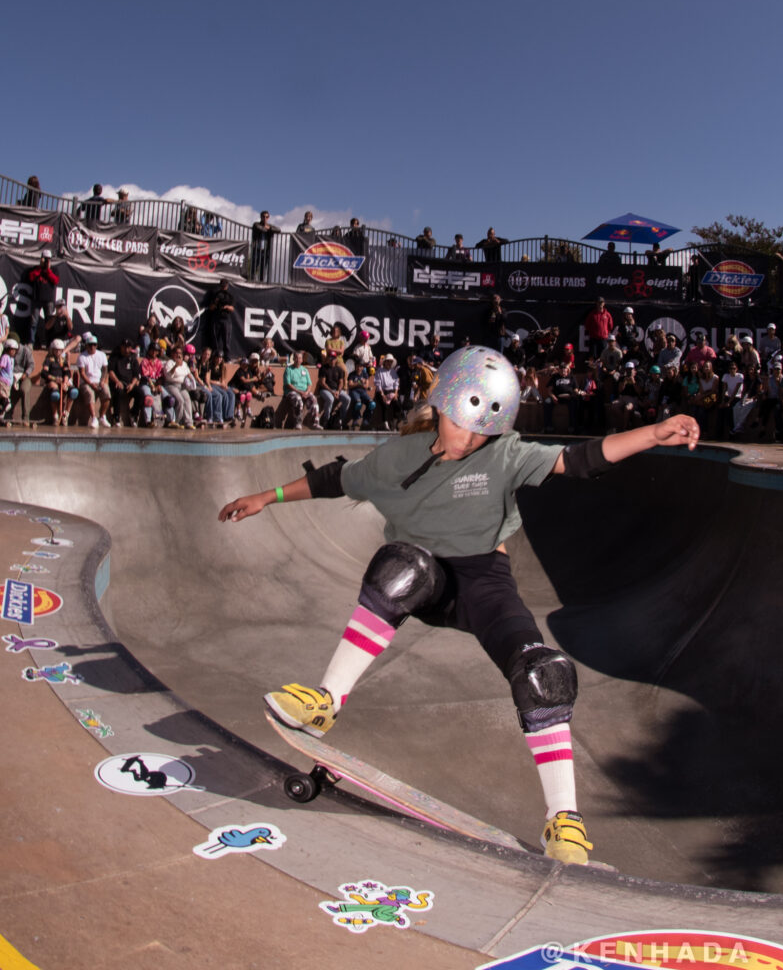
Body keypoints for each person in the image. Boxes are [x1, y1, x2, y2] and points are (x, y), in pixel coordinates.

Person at [219, 346, 701, 866]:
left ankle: (564, 821)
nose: (468, 441)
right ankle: (324, 703)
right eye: (461, 427)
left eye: (481, 433)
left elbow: (577, 460)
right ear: (440, 407)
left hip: (483, 582)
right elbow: (334, 479)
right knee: (401, 565)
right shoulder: (397, 457)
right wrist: (265, 497)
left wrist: (653, 433)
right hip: (420, 574)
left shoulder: (505, 453)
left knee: (544, 672)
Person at [75, 335, 111, 428]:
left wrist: (102, 381)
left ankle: (102, 416)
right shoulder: (82, 357)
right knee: (90, 393)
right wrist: (91, 384)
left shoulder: (102, 355)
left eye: (94, 345)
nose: (92, 347)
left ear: (97, 345)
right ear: (86, 345)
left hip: (99, 381)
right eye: (90, 345)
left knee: (107, 393)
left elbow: (105, 369)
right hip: (86, 382)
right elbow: (82, 373)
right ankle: (94, 418)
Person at [27, 249, 59, 346]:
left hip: (49, 300)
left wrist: (48, 270)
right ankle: (31, 342)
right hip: (36, 298)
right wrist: (40, 268)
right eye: (45, 259)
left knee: (49, 322)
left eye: (48, 259)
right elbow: (31, 277)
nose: (46, 261)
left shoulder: (54, 270)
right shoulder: (36, 269)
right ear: (41, 259)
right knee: (33, 321)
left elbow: (55, 280)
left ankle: (49, 343)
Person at [41, 340, 77, 426]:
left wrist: (65, 381)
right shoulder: (48, 360)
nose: (58, 352)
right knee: (55, 395)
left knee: (74, 392)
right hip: (53, 381)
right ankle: (55, 415)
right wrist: (54, 379)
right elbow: (44, 373)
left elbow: (67, 372)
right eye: (56, 350)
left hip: (62, 381)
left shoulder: (62, 360)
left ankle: (66, 415)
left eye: (60, 350)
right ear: (52, 350)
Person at [107, 339, 142, 426]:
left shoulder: (133, 358)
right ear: (121, 347)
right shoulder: (115, 357)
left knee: (140, 393)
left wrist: (132, 384)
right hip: (118, 382)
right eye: (124, 347)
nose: (126, 349)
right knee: (118, 391)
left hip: (129, 384)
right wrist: (117, 381)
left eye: (128, 347)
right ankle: (116, 417)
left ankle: (134, 414)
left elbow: (136, 375)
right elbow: (110, 371)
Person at [283, 351, 321, 429]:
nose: (298, 359)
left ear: (302, 360)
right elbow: (288, 384)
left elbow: (309, 384)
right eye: (296, 358)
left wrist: (307, 392)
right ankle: (298, 422)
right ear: (293, 359)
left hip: (304, 391)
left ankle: (315, 423)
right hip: (292, 392)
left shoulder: (305, 370)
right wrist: (299, 392)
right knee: (298, 399)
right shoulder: (288, 369)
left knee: (313, 399)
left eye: (299, 358)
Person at [162, 345, 195, 429]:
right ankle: (176, 421)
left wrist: (192, 381)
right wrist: (176, 365)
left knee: (187, 398)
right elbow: (168, 375)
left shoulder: (184, 364)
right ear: (172, 354)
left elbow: (188, 374)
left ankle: (188, 422)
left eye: (180, 353)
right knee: (180, 400)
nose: (178, 355)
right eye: (176, 353)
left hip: (181, 386)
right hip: (171, 385)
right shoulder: (169, 363)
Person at [317, 351, 351, 429]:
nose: (332, 360)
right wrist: (332, 392)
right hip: (325, 389)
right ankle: (326, 419)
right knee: (330, 399)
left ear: (336, 359)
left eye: (334, 358)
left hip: (336, 390)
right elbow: (322, 383)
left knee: (347, 399)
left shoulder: (339, 369)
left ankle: (341, 420)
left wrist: (338, 391)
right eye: (331, 358)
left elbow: (341, 382)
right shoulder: (324, 368)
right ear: (328, 359)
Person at [205, 279, 235, 358]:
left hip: (226, 319)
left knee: (226, 340)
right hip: (216, 317)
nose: (223, 287)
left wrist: (226, 307)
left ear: (227, 286)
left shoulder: (229, 295)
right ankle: (215, 356)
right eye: (222, 286)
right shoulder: (216, 295)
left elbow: (232, 308)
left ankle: (227, 357)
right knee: (215, 339)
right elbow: (211, 308)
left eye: (224, 286)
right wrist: (215, 303)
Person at [374, 354, 402, 430]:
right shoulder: (379, 371)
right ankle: (385, 423)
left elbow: (396, 382)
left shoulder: (393, 372)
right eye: (388, 361)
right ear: (385, 362)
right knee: (385, 405)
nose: (389, 363)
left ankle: (395, 422)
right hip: (382, 392)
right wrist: (383, 395)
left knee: (397, 405)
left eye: (390, 362)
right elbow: (378, 384)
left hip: (392, 392)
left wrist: (396, 393)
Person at [251, 210, 281, 281]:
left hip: (265, 250)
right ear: (261, 217)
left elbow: (279, 230)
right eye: (263, 217)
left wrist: (270, 228)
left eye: (267, 217)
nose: (265, 218)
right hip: (257, 249)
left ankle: (261, 281)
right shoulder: (256, 224)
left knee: (263, 268)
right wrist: (268, 229)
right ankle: (252, 280)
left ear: (268, 218)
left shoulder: (269, 226)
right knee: (254, 266)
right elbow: (258, 228)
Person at [0, 339, 18, 423]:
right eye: (12, 350)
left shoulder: (12, 359)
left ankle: (0, 416)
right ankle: (1, 413)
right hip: (2, 381)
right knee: (6, 403)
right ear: (7, 349)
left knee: (2, 402)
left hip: (8, 383)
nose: (13, 352)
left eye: (15, 350)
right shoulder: (5, 357)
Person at [348, 360, 376, 430]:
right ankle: (355, 420)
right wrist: (359, 383)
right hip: (354, 391)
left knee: (372, 404)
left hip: (363, 392)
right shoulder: (352, 374)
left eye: (360, 366)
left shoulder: (365, 374)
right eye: (357, 366)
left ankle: (366, 420)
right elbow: (350, 385)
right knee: (358, 403)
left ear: (363, 367)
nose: (358, 368)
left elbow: (366, 386)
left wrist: (358, 383)